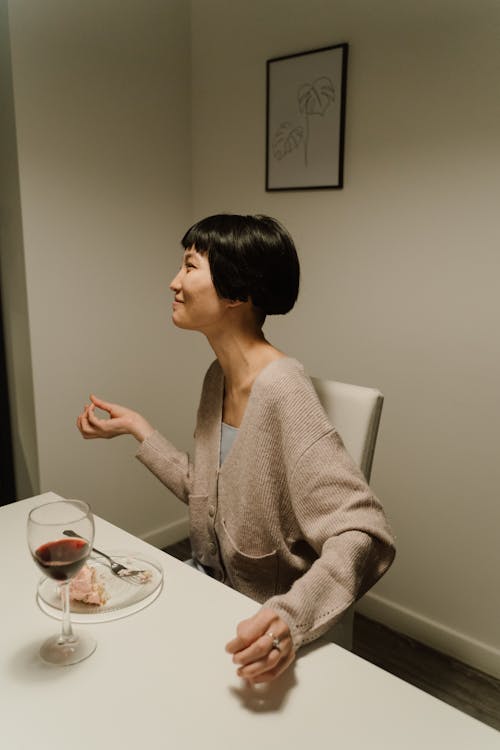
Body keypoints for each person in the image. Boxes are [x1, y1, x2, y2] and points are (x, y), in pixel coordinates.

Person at [76, 213, 395, 684]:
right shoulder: (217, 376)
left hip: (254, 627)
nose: (173, 282)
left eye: (188, 267)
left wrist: (290, 616)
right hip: (208, 593)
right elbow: (212, 496)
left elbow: (362, 532)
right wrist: (140, 431)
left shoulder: (285, 392)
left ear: (237, 292)